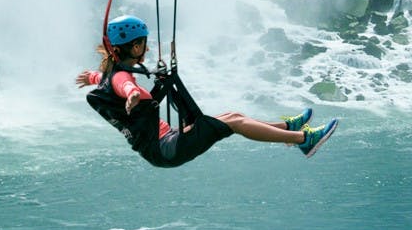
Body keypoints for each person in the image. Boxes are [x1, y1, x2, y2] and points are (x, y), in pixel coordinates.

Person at [76, 15, 337, 168]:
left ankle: (288, 128)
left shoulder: (107, 78)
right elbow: (126, 86)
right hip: (167, 148)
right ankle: (304, 140)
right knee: (234, 122)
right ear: (135, 47)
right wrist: (133, 93)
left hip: (166, 143)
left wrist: (91, 77)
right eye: (144, 42)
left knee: (231, 115)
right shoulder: (122, 78)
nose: (147, 46)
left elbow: (109, 81)